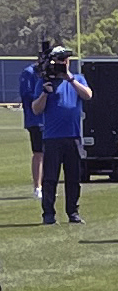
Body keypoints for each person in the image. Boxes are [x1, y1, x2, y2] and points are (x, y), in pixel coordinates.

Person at [32, 45, 92, 224]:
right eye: (60, 60)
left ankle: (73, 212)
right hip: (52, 138)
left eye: (66, 59)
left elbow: (88, 95)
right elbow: (36, 109)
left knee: (73, 177)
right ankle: (48, 214)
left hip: (73, 136)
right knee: (50, 178)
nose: (63, 63)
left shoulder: (77, 79)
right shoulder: (44, 82)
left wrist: (70, 79)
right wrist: (45, 93)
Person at [19, 48, 45, 199]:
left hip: (51, 120)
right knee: (39, 153)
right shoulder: (29, 72)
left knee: (50, 154)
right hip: (36, 119)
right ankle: (38, 186)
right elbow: (26, 95)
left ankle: (47, 184)